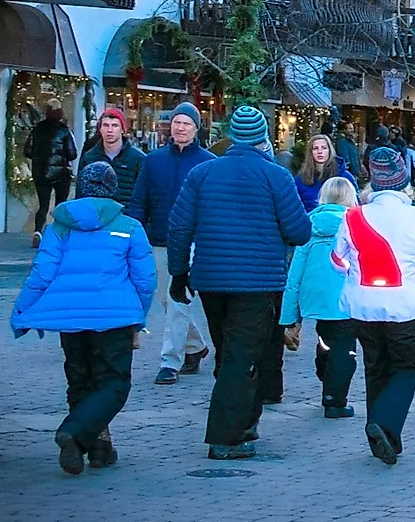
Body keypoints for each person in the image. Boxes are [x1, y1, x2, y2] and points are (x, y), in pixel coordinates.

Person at [165, 103, 310, 461]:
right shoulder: (276, 176)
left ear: (231, 135)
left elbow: (179, 227)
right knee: (243, 355)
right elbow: (299, 230)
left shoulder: (202, 173)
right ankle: (226, 436)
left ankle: (245, 421)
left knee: (227, 350)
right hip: (259, 281)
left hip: (211, 279)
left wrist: (178, 272)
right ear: (262, 138)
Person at [11, 159, 156, 474]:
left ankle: (98, 448)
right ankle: (75, 435)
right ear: (112, 189)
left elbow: (41, 273)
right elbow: (145, 279)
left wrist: (21, 311)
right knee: (114, 384)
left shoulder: (60, 227)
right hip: (114, 319)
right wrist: (139, 316)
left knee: (80, 380)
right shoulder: (129, 227)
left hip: (71, 319)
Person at [336, 145, 415, 465]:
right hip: (404, 305)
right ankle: (384, 424)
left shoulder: (353, 216)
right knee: (408, 367)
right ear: (402, 182)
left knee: (376, 365)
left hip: (362, 304)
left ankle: (383, 434)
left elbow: (337, 260)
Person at [137, 102, 213, 384]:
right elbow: (139, 200)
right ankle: (196, 346)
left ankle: (170, 361)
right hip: (158, 238)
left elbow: (211, 206)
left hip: (192, 241)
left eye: (187, 123)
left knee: (179, 299)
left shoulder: (207, 162)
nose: (180, 128)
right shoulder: (153, 160)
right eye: (177, 122)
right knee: (166, 300)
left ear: (196, 128)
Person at [278, 175, 358, 418]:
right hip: (348, 297)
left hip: (315, 297)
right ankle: (334, 399)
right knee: (345, 349)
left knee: (326, 339)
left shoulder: (309, 225)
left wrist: (289, 316)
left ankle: (325, 367)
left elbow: (295, 274)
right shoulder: (356, 225)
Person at [76, 105, 145, 214]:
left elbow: (144, 196)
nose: (110, 130)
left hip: (126, 219)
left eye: (115, 125)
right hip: (95, 218)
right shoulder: (89, 158)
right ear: (100, 129)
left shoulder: (138, 159)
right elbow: (80, 193)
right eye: (106, 125)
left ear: (123, 129)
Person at [28, 104, 76, 239]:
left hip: (41, 172)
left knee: (43, 204)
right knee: (60, 204)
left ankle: (38, 231)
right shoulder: (64, 130)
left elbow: (27, 150)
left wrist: (40, 157)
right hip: (61, 173)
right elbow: (72, 154)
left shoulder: (37, 129)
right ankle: (57, 233)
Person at [289, 133, 352, 210]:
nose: (320, 151)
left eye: (324, 148)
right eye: (315, 148)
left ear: (329, 151)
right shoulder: (301, 179)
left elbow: (355, 203)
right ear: (310, 152)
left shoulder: (345, 176)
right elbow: (294, 207)